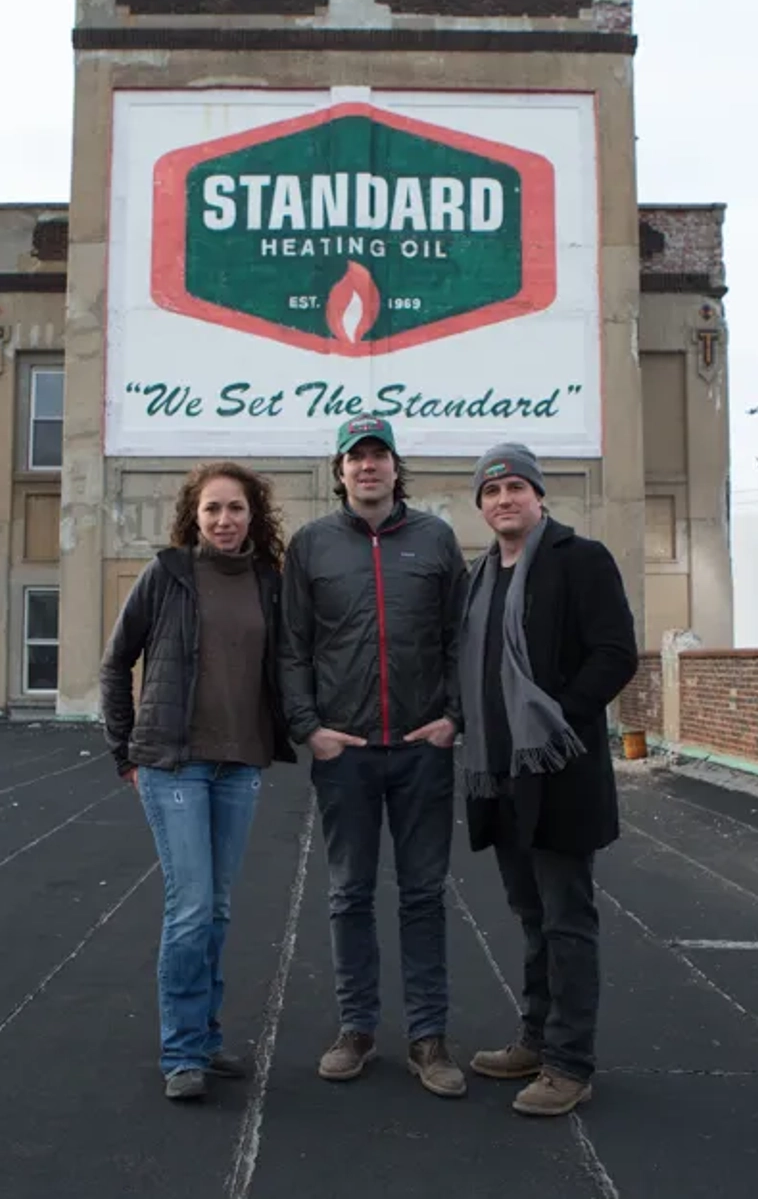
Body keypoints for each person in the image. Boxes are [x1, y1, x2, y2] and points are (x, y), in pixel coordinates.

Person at [279, 415, 470, 1097]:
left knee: (423, 896)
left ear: (396, 467)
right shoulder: (310, 546)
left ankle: (427, 1037)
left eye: (378, 455)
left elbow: (460, 640)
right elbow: (293, 646)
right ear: (339, 471)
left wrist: (455, 717)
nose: (367, 467)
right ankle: (356, 1028)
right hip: (346, 752)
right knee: (348, 894)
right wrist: (309, 727)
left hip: (422, 750)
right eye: (355, 457)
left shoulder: (436, 541)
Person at [100, 460, 297, 1102]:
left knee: (215, 908)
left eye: (235, 508)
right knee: (189, 908)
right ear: (195, 515)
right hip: (173, 763)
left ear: (253, 515)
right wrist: (125, 751)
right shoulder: (168, 575)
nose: (224, 520)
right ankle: (181, 1052)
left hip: (238, 764)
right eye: (212, 509)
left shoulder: (269, 583)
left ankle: (205, 1041)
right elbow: (115, 661)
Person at [456, 442, 638, 1117]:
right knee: (530, 913)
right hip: (500, 773)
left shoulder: (579, 558)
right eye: (492, 490)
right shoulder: (479, 578)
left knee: (567, 917)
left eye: (515, 487)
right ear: (480, 505)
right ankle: (535, 1036)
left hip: (557, 770)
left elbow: (616, 652)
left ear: (539, 495)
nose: (504, 499)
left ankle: (570, 1061)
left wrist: (559, 716)